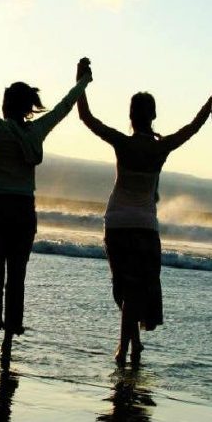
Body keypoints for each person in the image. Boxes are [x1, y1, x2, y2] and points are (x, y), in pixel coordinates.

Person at [76, 58, 211, 367]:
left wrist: (81, 81)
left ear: (131, 116)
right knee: (138, 287)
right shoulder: (161, 147)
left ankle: (130, 346)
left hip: (117, 222)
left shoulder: (122, 142)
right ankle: (126, 347)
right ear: (153, 116)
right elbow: (193, 128)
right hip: (144, 225)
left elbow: (86, 117)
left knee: (125, 287)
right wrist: (209, 104)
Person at [0, 45, 92, 360]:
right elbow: (64, 107)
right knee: (16, 277)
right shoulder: (36, 133)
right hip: (23, 211)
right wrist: (83, 81)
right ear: (28, 108)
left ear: (6, 105)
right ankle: (9, 338)